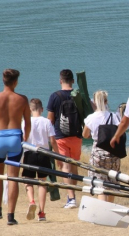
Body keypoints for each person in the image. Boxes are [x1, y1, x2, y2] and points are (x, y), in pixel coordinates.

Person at [0, 69, 31, 225]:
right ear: (15, 82)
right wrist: (26, 136)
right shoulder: (22, 99)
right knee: (13, 177)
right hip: (15, 137)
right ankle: (11, 216)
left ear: (3, 81)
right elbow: (28, 123)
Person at [47, 69, 83, 209]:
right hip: (77, 135)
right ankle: (71, 196)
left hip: (61, 135)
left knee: (64, 166)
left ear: (60, 80)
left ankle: (71, 198)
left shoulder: (55, 96)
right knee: (73, 165)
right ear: (73, 81)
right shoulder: (79, 96)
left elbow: (50, 119)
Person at [22, 98, 61, 221]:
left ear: (30, 109)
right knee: (42, 182)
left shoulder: (25, 122)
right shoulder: (47, 122)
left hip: (29, 152)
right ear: (42, 109)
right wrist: (58, 156)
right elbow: (53, 141)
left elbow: (22, 138)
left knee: (28, 180)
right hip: (44, 153)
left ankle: (31, 201)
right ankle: (42, 212)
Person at [82, 90, 121, 202]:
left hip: (98, 152)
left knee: (100, 184)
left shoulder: (91, 118)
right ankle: (109, 210)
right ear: (106, 101)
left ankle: (101, 210)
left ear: (94, 102)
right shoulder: (114, 116)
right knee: (112, 182)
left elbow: (85, 134)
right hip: (113, 151)